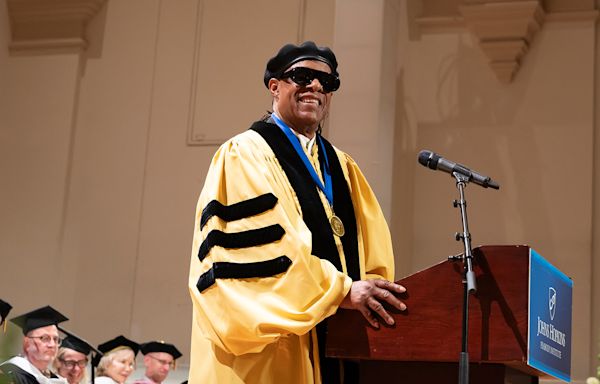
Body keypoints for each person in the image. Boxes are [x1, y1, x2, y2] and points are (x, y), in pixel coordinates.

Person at [188, 41, 407, 384]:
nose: (316, 86)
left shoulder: (343, 168)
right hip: (272, 351)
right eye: (302, 77)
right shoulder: (244, 154)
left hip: (337, 346)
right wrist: (343, 291)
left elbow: (373, 261)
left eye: (327, 82)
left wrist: (371, 295)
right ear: (274, 87)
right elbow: (268, 252)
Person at [0, 306, 68, 384]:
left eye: (55, 339)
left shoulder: (55, 379)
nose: (52, 345)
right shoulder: (10, 374)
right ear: (27, 343)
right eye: (45, 338)